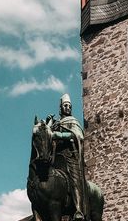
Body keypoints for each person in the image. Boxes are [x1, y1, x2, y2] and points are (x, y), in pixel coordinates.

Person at [46, 93, 88, 221]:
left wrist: (58, 135)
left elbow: (79, 136)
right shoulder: (57, 123)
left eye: (69, 106)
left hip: (70, 157)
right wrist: (48, 124)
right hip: (57, 157)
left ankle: (78, 209)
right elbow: (47, 136)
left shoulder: (73, 121)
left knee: (75, 179)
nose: (68, 108)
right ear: (60, 108)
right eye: (65, 105)